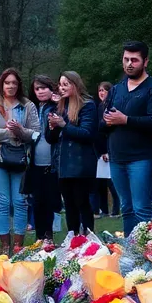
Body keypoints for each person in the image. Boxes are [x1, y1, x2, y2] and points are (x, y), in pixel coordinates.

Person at [102, 40, 152, 233]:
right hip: (117, 157)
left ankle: (145, 252)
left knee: (141, 208)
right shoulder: (116, 89)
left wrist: (126, 120)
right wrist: (107, 121)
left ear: (145, 61)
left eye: (134, 60)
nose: (129, 64)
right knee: (126, 208)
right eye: (125, 59)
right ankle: (129, 252)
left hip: (141, 158)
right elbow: (102, 123)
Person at [0, 68, 40, 253]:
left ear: (19, 85)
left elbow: (36, 132)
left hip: (20, 158)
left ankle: (18, 245)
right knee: (3, 201)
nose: (11, 86)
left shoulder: (28, 105)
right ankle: (5, 245)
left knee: (20, 200)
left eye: (14, 83)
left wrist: (20, 131)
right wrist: (9, 133)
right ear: (2, 84)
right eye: (7, 83)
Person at [48, 71, 99, 233]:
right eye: (60, 85)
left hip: (81, 164)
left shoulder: (87, 105)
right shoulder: (60, 106)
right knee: (69, 204)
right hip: (63, 164)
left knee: (82, 202)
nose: (61, 88)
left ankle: (89, 237)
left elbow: (87, 133)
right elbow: (51, 139)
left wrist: (63, 125)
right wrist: (53, 128)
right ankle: (72, 236)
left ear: (75, 85)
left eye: (65, 85)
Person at [29, 75, 62, 242]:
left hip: (52, 159)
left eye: (44, 88)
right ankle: (39, 237)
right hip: (35, 160)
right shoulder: (33, 107)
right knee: (37, 201)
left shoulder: (57, 106)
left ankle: (49, 236)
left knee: (50, 201)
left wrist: (58, 103)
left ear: (51, 89)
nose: (40, 91)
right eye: (37, 88)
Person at [90, 80, 120, 216]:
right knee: (101, 182)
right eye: (100, 90)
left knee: (112, 182)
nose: (101, 93)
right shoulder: (99, 106)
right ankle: (104, 209)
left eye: (104, 90)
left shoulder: (112, 106)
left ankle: (116, 209)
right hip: (101, 149)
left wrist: (106, 150)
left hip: (110, 148)